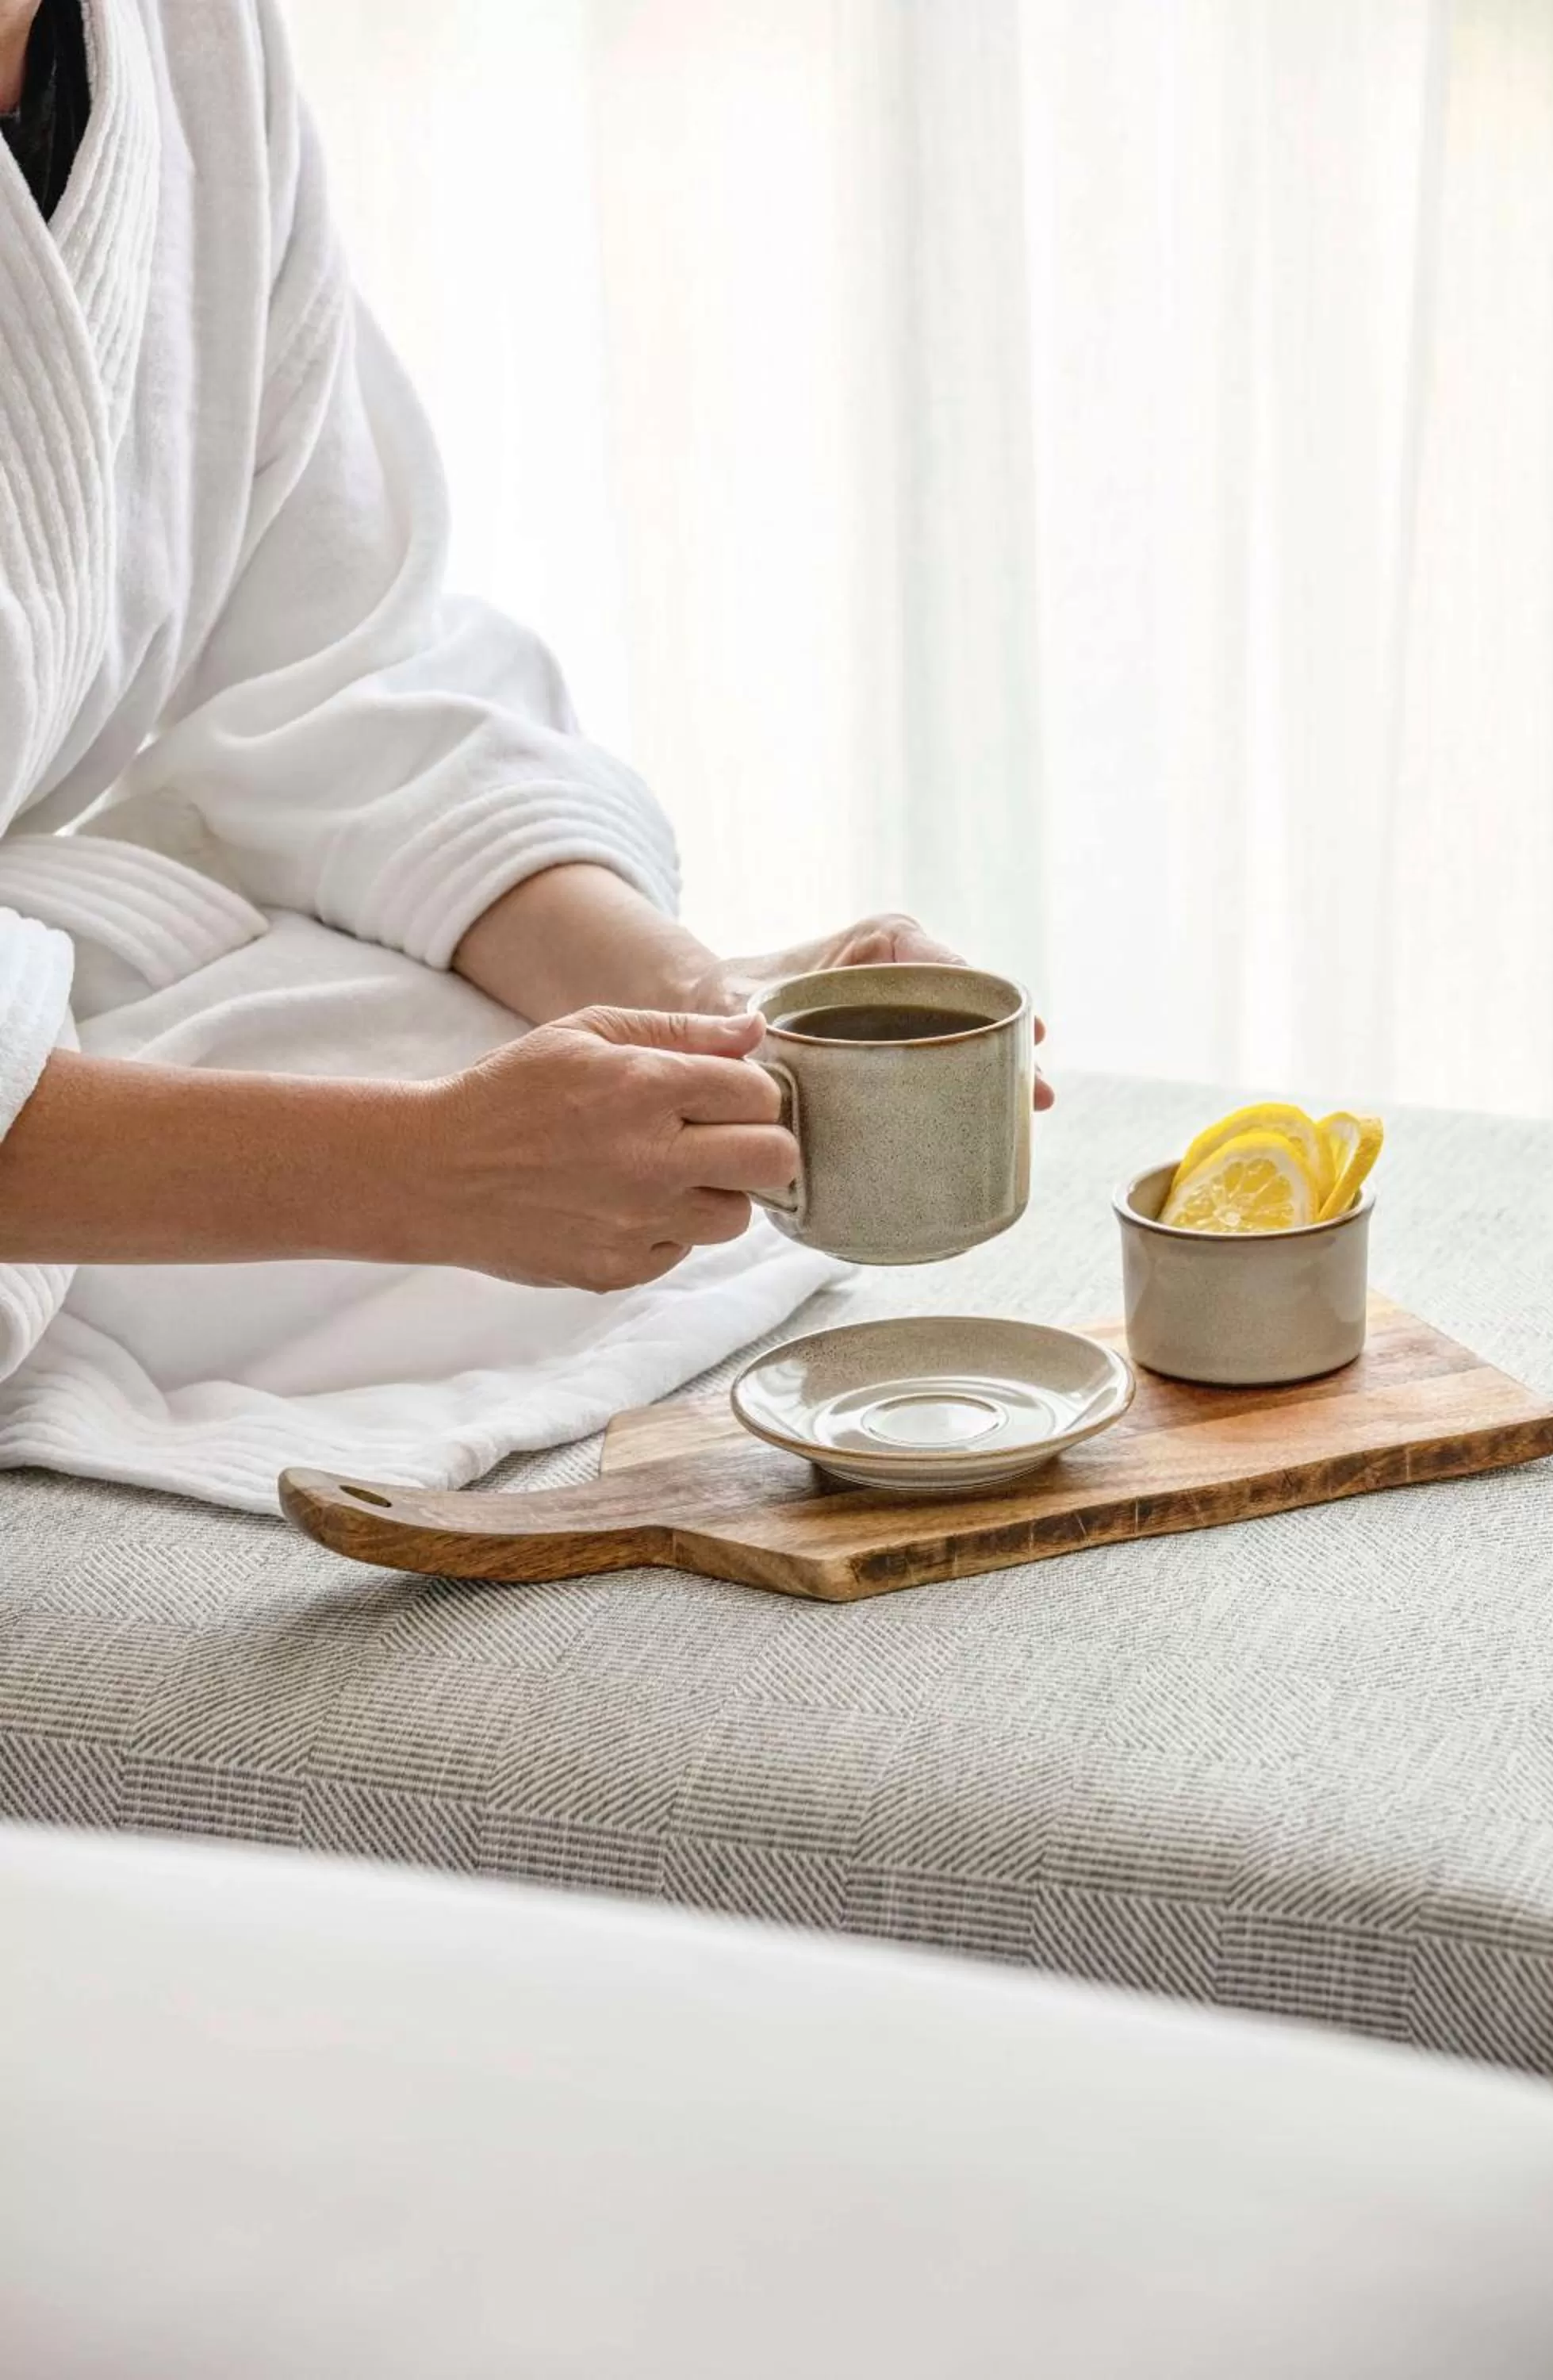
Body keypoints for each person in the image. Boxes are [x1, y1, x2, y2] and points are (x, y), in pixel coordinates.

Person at [0, 0, 1045, 1511]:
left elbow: (335, 666)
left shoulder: (194, 38)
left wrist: (708, 1014)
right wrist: (420, 1171)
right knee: (404, 1101)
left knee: (413, 1033)